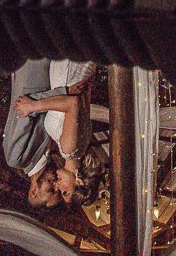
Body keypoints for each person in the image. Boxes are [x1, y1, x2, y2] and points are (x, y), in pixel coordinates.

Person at [14, 58, 107, 208]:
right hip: (68, 73)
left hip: (73, 74)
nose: (58, 187)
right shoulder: (70, 150)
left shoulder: (81, 147)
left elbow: (83, 100)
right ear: (79, 182)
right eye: (65, 192)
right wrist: (33, 105)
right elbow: (73, 103)